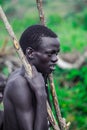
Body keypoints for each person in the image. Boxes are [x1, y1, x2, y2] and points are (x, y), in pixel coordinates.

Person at [3, 24, 60, 130]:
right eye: (49, 54)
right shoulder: (19, 84)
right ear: (30, 53)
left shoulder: (40, 77)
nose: (56, 59)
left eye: (56, 53)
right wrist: (41, 93)